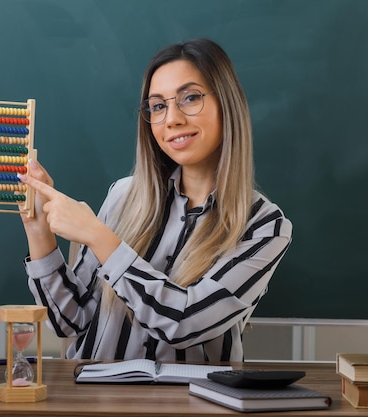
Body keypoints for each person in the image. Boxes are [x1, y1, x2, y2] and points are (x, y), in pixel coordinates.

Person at [18, 38, 292, 363]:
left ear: (227, 104)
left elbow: (184, 323)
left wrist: (100, 239)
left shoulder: (264, 226)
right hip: (94, 400)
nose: (171, 119)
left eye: (190, 98)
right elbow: (70, 322)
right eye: (158, 106)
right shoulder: (123, 197)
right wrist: (38, 230)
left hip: (192, 406)